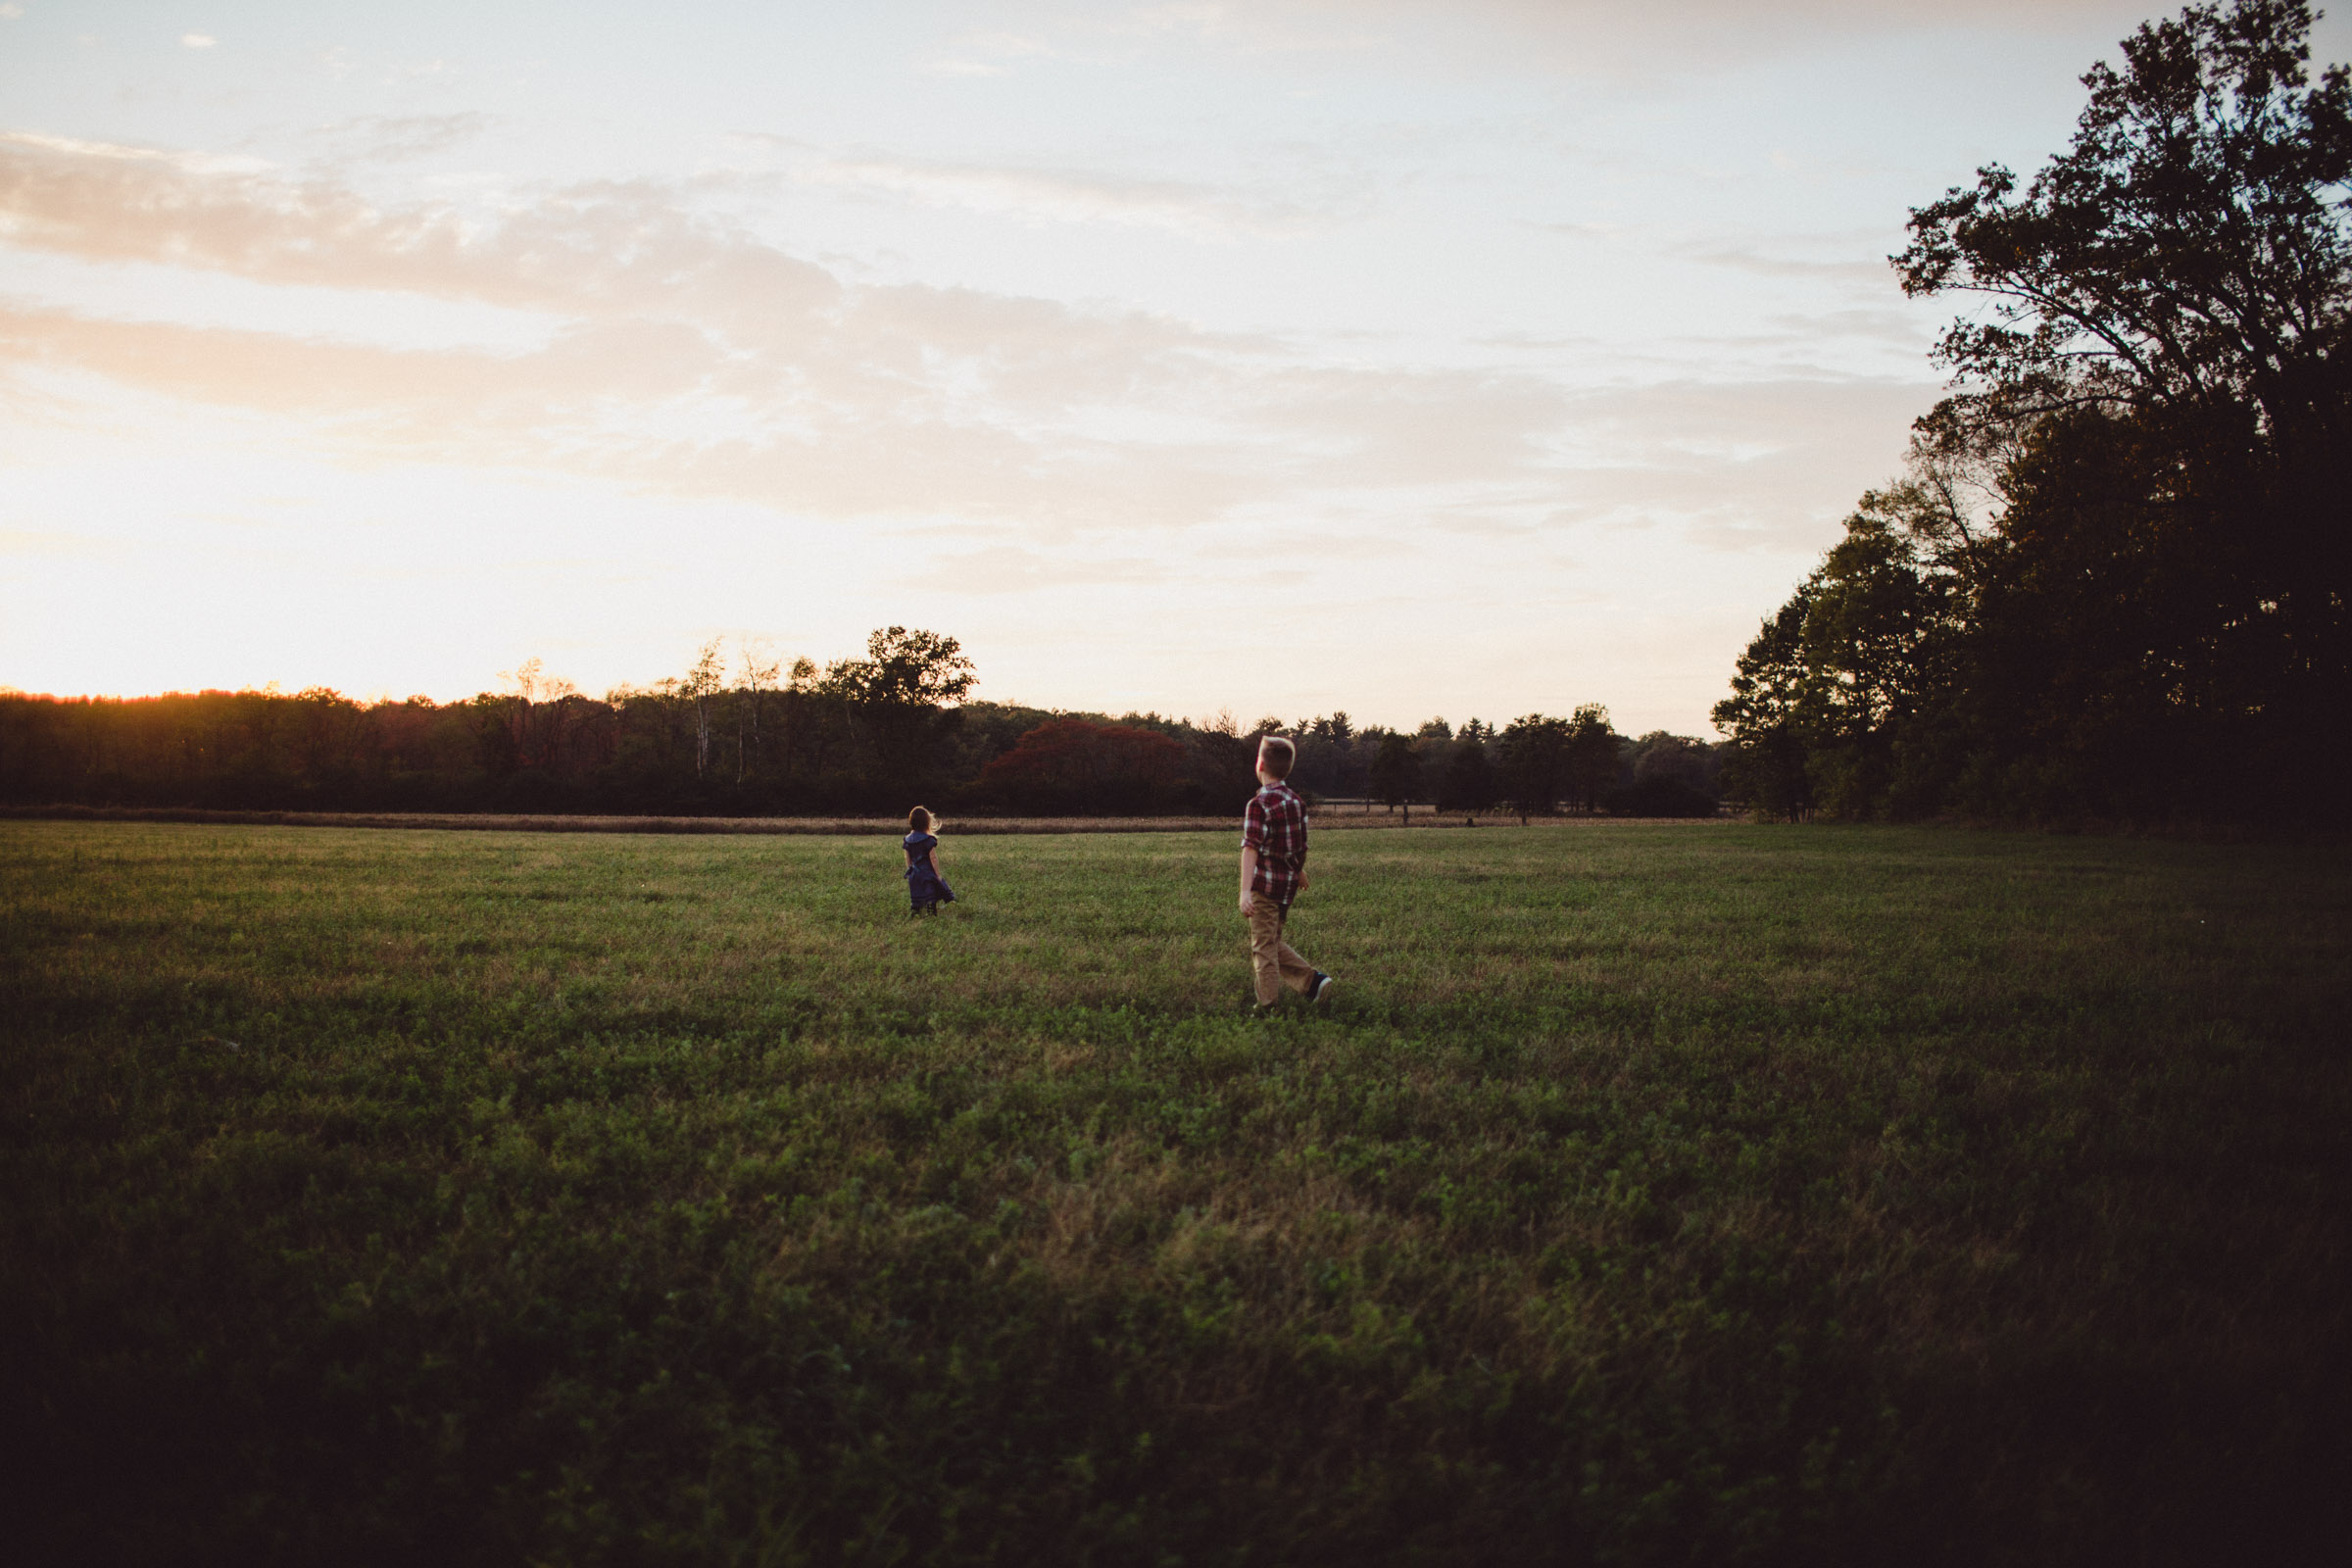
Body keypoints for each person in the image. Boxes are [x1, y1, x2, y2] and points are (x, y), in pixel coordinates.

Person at [1239, 735, 1334, 1009]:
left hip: (1264, 888)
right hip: (1285, 888)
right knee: (1271, 940)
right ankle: (1312, 983)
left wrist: (1245, 891)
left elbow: (1251, 848)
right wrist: (1299, 871)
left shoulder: (1259, 804)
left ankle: (1267, 1005)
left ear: (1259, 764)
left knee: (1263, 948)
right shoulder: (1295, 801)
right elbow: (1299, 844)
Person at [903, 807, 956, 915]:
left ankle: (915, 910)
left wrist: (910, 869)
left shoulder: (907, 839)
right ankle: (932, 910)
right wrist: (937, 874)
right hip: (926, 872)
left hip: (914, 873)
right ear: (926, 822)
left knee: (916, 893)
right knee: (930, 891)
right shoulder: (928, 840)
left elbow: (907, 857)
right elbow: (933, 858)